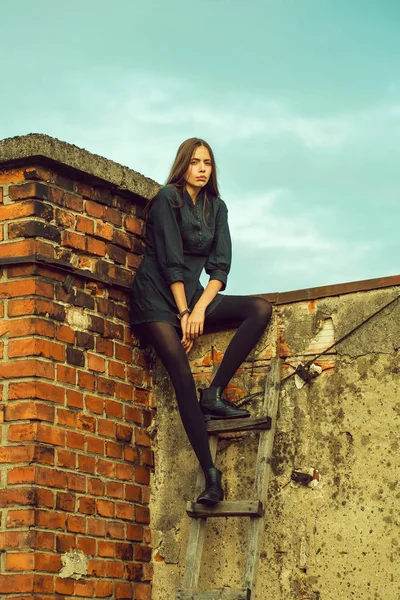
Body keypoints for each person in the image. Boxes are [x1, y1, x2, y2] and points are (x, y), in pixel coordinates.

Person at [130, 138, 272, 505]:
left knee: (259, 309)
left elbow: (220, 267)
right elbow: (170, 261)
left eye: (208, 162)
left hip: (192, 297)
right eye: (195, 162)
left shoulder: (217, 208)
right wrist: (182, 315)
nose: (203, 168)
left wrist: (198, 309)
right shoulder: (167, 198)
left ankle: (214, 394)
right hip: (157, 296)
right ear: (183, 165)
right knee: (180, 370)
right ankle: (211, 475)